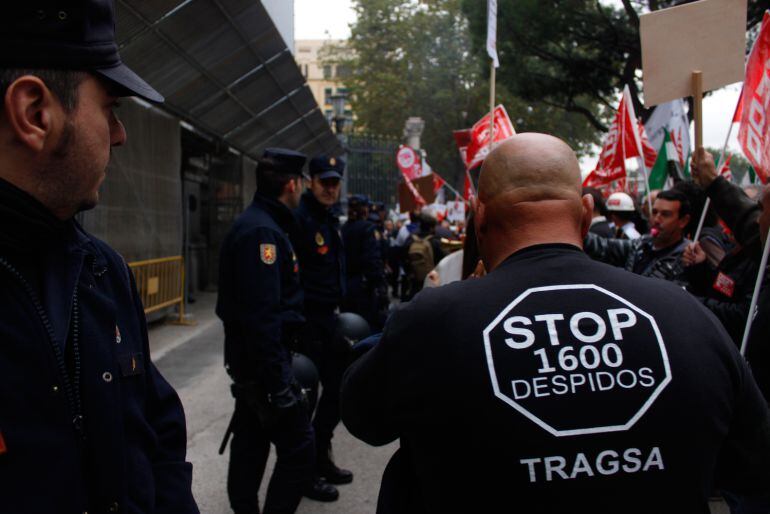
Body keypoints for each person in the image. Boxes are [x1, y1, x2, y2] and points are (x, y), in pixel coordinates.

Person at [341, 133, 770, 514]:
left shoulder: (431, 324)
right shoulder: (688, 317)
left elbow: (363, 418)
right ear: (585, 213)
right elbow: (752, 464)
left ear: (480, 215)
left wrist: (423, 318)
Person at [0, 2, 198, 512]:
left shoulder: (101, 270)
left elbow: (157, 437)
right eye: (110, 107)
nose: (120, 134)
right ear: (35, 113)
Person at [217, 149, 333, 513]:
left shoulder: (264, 224)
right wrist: (279, 384)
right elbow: (261, 317)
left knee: (251, 441)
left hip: (258, 365)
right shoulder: (263, 233)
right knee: (299, 450)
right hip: (264, 367)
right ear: (292, 184)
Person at [292, 155, 352, 492]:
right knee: (307, 401)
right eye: (323, 182)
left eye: (334, 182)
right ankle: (305, 473)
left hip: (329, 320)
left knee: (339, 392)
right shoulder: (300, 220)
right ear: (309, 182)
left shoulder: (329, 219)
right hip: (307, 324)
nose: (329, 188)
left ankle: (320, 453)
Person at [583, 189, 692, 286]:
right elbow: (604, 246)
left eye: (665, 214)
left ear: (683, 221)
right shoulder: (641, 244)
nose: (656, 220)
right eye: (654, 212)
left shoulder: (688, 257)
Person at [342, 194, 386, 330]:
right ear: (365, 210)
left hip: (347, 285)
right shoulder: (367, 228)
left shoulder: (344, 228)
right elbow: (372, 260)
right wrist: (380, 285)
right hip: (363, 287)